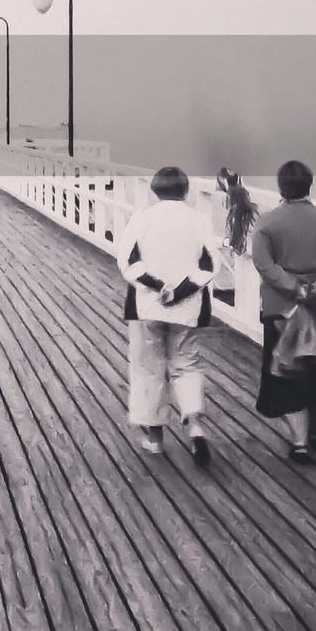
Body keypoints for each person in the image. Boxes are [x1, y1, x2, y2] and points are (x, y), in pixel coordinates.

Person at [251, 160, 316, 465]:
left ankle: (299, 442)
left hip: (283, 309)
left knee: (287, 372)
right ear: (310, 185)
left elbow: (264, 265)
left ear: (281, 187)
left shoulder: (267, 223)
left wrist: (295, 289)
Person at [116, 165, 216, 466]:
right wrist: (181, 291)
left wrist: (158, 286)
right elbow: (210, 265)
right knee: (186, 363)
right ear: (185, 191)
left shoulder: (142, 218)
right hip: (188, 306)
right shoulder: (199, 219)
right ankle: (195, 425)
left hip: (147, 305)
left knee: (148, 368)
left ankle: (155, 439)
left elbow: (127, 261)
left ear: (155, 190)